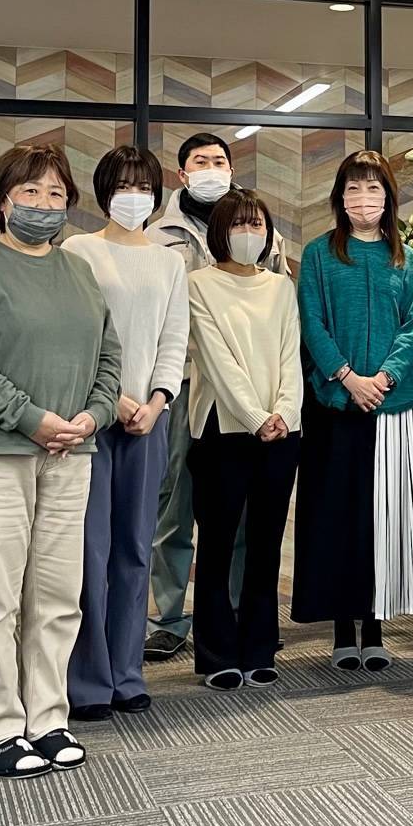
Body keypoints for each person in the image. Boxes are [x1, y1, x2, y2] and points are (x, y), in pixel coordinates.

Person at [0, 143, 121, 778]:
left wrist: (92, 416)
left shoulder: (81, 272)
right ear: (3, 201)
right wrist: (31, 418)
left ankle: (48, 717)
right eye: (30, 192)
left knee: (58, 594)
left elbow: (108, 357)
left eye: (55, 193)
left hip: (73, 451)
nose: (44, 204)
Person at [146, 133, 285, 662]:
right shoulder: (161, 235)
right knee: (175, 502)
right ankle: (169, 615)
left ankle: (232, 611)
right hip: (182, 383)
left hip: (248, 390)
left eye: (220, 161)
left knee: (242, 512)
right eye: (200, 161)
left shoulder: (259, 228)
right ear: (182, 173)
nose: (212, 168)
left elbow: (278, 303)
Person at [62, 146, 189, 721]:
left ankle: (126, 672)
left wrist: (158, 402)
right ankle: (87, 680)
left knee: (137, 548)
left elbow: (174, 340)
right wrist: (111, 398)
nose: (133, 194)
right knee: (90, 550)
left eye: (143, 185)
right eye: (122, 184)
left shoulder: (168, 262)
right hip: (92, 418)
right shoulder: (77, 251)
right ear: (103, 189)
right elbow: (77, 336)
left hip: (148, 423)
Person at [294, 151, 413, 670]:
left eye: (373, 189)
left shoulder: (408, 260)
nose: (363, 200)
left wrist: (385, 377)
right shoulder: (319, 255)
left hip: (391, 406)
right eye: (353, 189)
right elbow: (312, 322)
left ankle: (374, 629)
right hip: (335, 404)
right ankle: (341, 631)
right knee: (337, 516)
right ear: (339, 198)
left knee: (384, 518)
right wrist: (347, 377)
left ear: (388, 197)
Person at [186, 188, 303, 690]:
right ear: (220, 231)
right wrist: (257, 415)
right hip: (223, 429)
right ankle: (216, 653)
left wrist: (284, 413)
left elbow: (290, 356)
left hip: (281, 431)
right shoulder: (197, 283)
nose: (249, 234)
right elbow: (216, 360)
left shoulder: (280, 287)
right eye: (239, 225)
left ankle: (259, 647)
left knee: (265, 544)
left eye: (258, 225)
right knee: (216, 542)